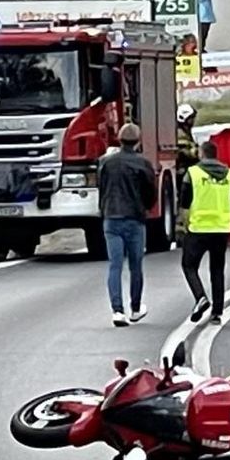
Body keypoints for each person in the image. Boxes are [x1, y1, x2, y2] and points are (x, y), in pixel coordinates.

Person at [98, 123, 158, 326]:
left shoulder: (107, 163)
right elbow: (151, 192)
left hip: (111, 217)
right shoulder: (143, 164)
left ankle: (117, 310)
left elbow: (102, 187)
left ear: (119, 139)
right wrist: (146, 208)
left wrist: (104, 209)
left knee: (115, 265)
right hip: (135, 218)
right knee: (136, 266)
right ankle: (135, 307)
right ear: (138, 141)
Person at [179, 141, 230, 324]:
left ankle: (200, 297)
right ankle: (217, 313)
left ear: (201, 154)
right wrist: (228, 223)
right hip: (221, 228)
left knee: (189, 266)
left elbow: (185, 203)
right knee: (217, 269)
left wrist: (187, 224)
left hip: (199, 227)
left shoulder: (193, 173)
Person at [175, 103, 199, 175]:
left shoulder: (186, 132)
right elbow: (189, 153)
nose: (193, 121)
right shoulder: (180, 134)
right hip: (183, 170)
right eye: (191, 118)